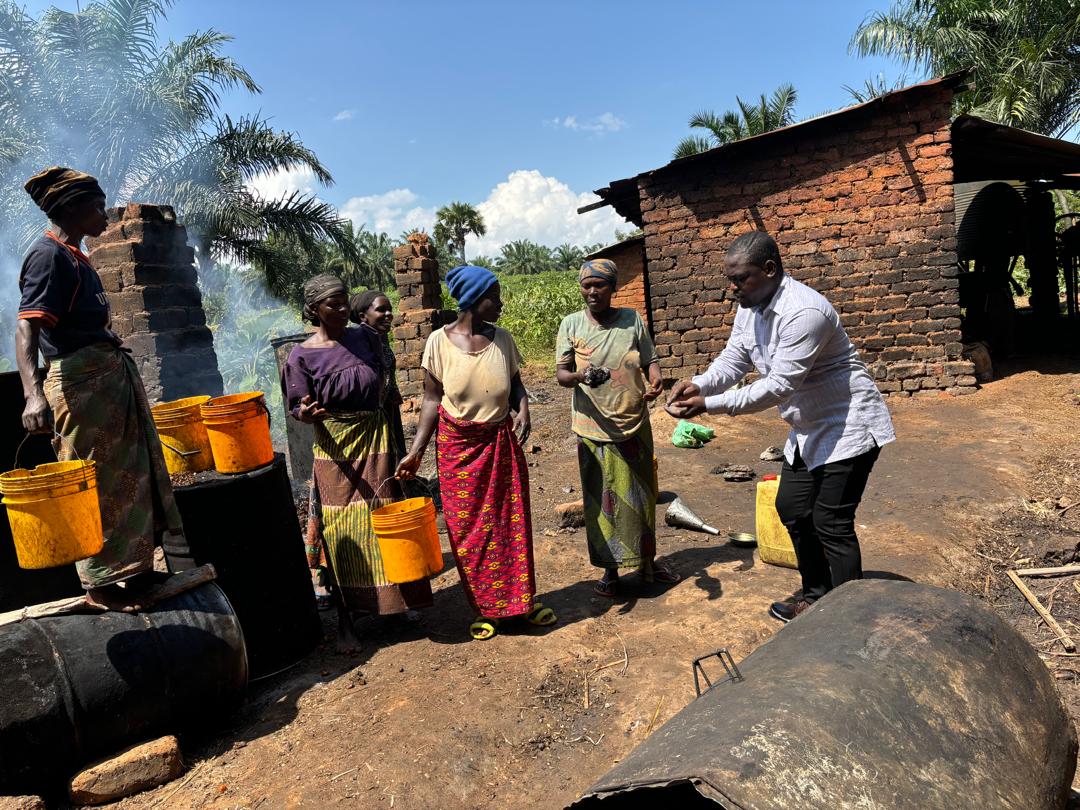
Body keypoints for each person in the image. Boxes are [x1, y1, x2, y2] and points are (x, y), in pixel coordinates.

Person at [665, 231, 895, 622]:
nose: (733, 288)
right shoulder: (749, 306)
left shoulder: (804, 313)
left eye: (741, 278)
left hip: (850, 426)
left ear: (770, 269)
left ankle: (851, 619)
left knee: (832, 523)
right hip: (808, 428)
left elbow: (778, 386)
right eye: (730, 280)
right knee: (793, 507)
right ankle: (817, 594)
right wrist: (699, 384)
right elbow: (733, 361)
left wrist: (709, 405)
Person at [15, 166, 185, 605]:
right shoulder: (48, 256)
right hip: (81, 387)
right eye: (96, 204)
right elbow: (26, 330)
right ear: (70, 208)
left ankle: (137, 570)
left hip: (106, 381)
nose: (103, 213)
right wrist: (33, 394)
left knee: (129, 479)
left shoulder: (76, 256)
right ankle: (101, 583)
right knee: (96, 484)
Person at [395, 265, 556, 640]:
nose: (500, 304)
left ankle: (520, 603)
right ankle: (487, 608)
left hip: (500, 444)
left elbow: (515, 385)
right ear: (472, 300)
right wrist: (417, 450)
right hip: (458, 449)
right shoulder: (437, 342)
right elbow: (432, 401)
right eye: (493, 297)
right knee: (470, 532)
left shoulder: (503, 339)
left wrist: (524, 407)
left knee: (510, 524)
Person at [283, 274, 432, 651]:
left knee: (386, 517)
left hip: (377, 439)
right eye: (333, 304)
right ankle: (348, 618)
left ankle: (398, 603)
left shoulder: (365, 338)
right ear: (314, 309)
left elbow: (384, 378)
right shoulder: (301, 355)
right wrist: (307, 413)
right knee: (340, 527)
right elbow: (296, 406)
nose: (343, 309)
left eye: (345, 301)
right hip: (335, 448)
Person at [555, 258, 677, 598]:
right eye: (586, 286)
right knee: (601, 500)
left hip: (633, 421)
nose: (592, 292)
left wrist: (656, 382)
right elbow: (562, 374)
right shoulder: (571, 324)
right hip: (592, 428)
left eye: (599, 286)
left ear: (613, 289)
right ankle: (610, 571)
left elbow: (651, 360)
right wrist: (581, 376)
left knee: (641, 497)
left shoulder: (632, 321)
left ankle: (647, 562)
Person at [350, 290, 406, 458]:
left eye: (389, 309)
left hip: (387, 405)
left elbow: (388, 370)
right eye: (381, 310)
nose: (389, 314)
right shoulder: (356, 343)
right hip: (368, 415)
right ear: (362, 316)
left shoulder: (381, 337)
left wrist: (393, 393)